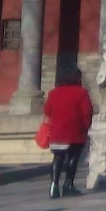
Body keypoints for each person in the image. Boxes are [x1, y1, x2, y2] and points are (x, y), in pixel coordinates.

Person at [39, 66, 94, 198]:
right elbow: (87, 112)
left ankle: (54, 184)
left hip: (57, 133)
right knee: (73, 157)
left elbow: (47, 111)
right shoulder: (81, 92)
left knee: (57, 157)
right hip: (75, 132)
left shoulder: (54, 93)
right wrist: (86, 127)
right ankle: (68, 185)